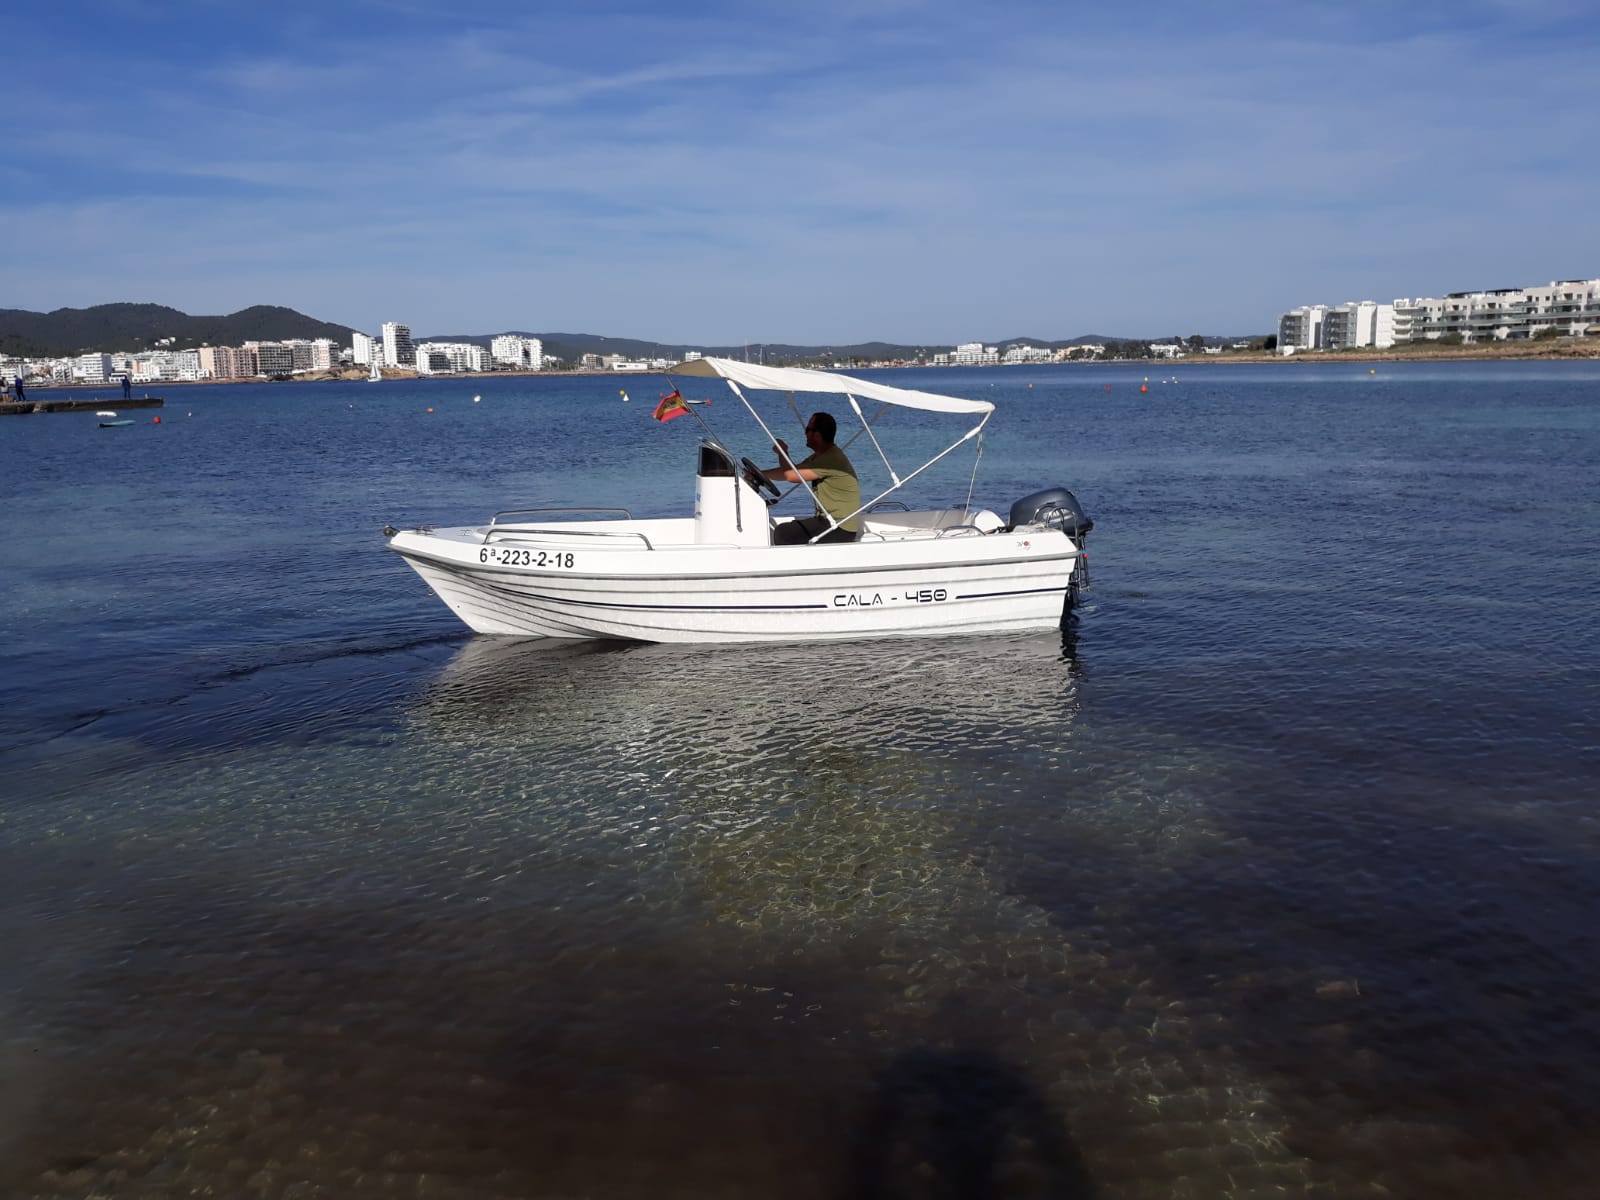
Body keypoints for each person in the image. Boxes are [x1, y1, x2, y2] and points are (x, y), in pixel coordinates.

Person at [754, 411, 861, 545]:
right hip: (832, 522)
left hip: (839, 528)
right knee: (784, 529)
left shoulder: (830, 459)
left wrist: (779, 454)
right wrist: (764, 471)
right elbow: (791, 470)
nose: (805, 433)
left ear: (817, 435)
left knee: (782, 533)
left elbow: (791, 475)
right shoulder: (820, 457)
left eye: (807, 430)